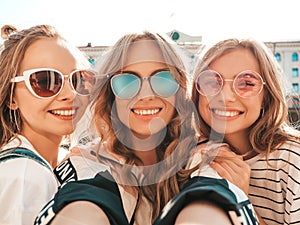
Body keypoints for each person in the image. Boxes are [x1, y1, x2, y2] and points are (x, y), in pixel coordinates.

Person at [34, 31, 258, 225]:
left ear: (178, 91)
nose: (146, 94)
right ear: (111, 96)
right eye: (127, 81)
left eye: (163, 79)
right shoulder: (85, 163)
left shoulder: (207, 157)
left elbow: (210, 204)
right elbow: (83, 204)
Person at [191, 37, 300, 225]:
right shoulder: (190, 156)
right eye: (211, 82)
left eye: (247, 83)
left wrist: (240, 199)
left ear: (266, 96)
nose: (225, 96)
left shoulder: (292, 161)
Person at [0, 24, 96, 225]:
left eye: (79, 80)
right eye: (44, 81)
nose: (70, 95)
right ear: (11, 98)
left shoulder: (56, 163)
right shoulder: (25, 175)